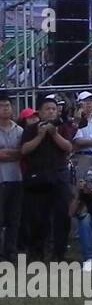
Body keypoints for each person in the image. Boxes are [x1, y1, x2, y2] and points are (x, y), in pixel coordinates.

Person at [21, 96, 75, 260]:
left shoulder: (62, 127)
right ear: (40, 112)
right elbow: (24, 150)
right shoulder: (31, 129)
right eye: (47, 109)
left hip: (59, 176)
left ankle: (59, 254)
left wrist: (54, 134)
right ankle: (36, 253)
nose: (51, 111)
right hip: (37, 177)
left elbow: (68, 147)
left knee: (62, 216)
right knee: (38, 218)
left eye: (53, 108)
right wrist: (39, 136)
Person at [0, 91, 24, 262]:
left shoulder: (20, 130)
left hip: (17, 178)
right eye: (1, 106)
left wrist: (6, 153)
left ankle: (11, 252)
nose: (4, 109)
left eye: (7, 106)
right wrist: (14, 153)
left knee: (14, 219)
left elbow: (23, 152)